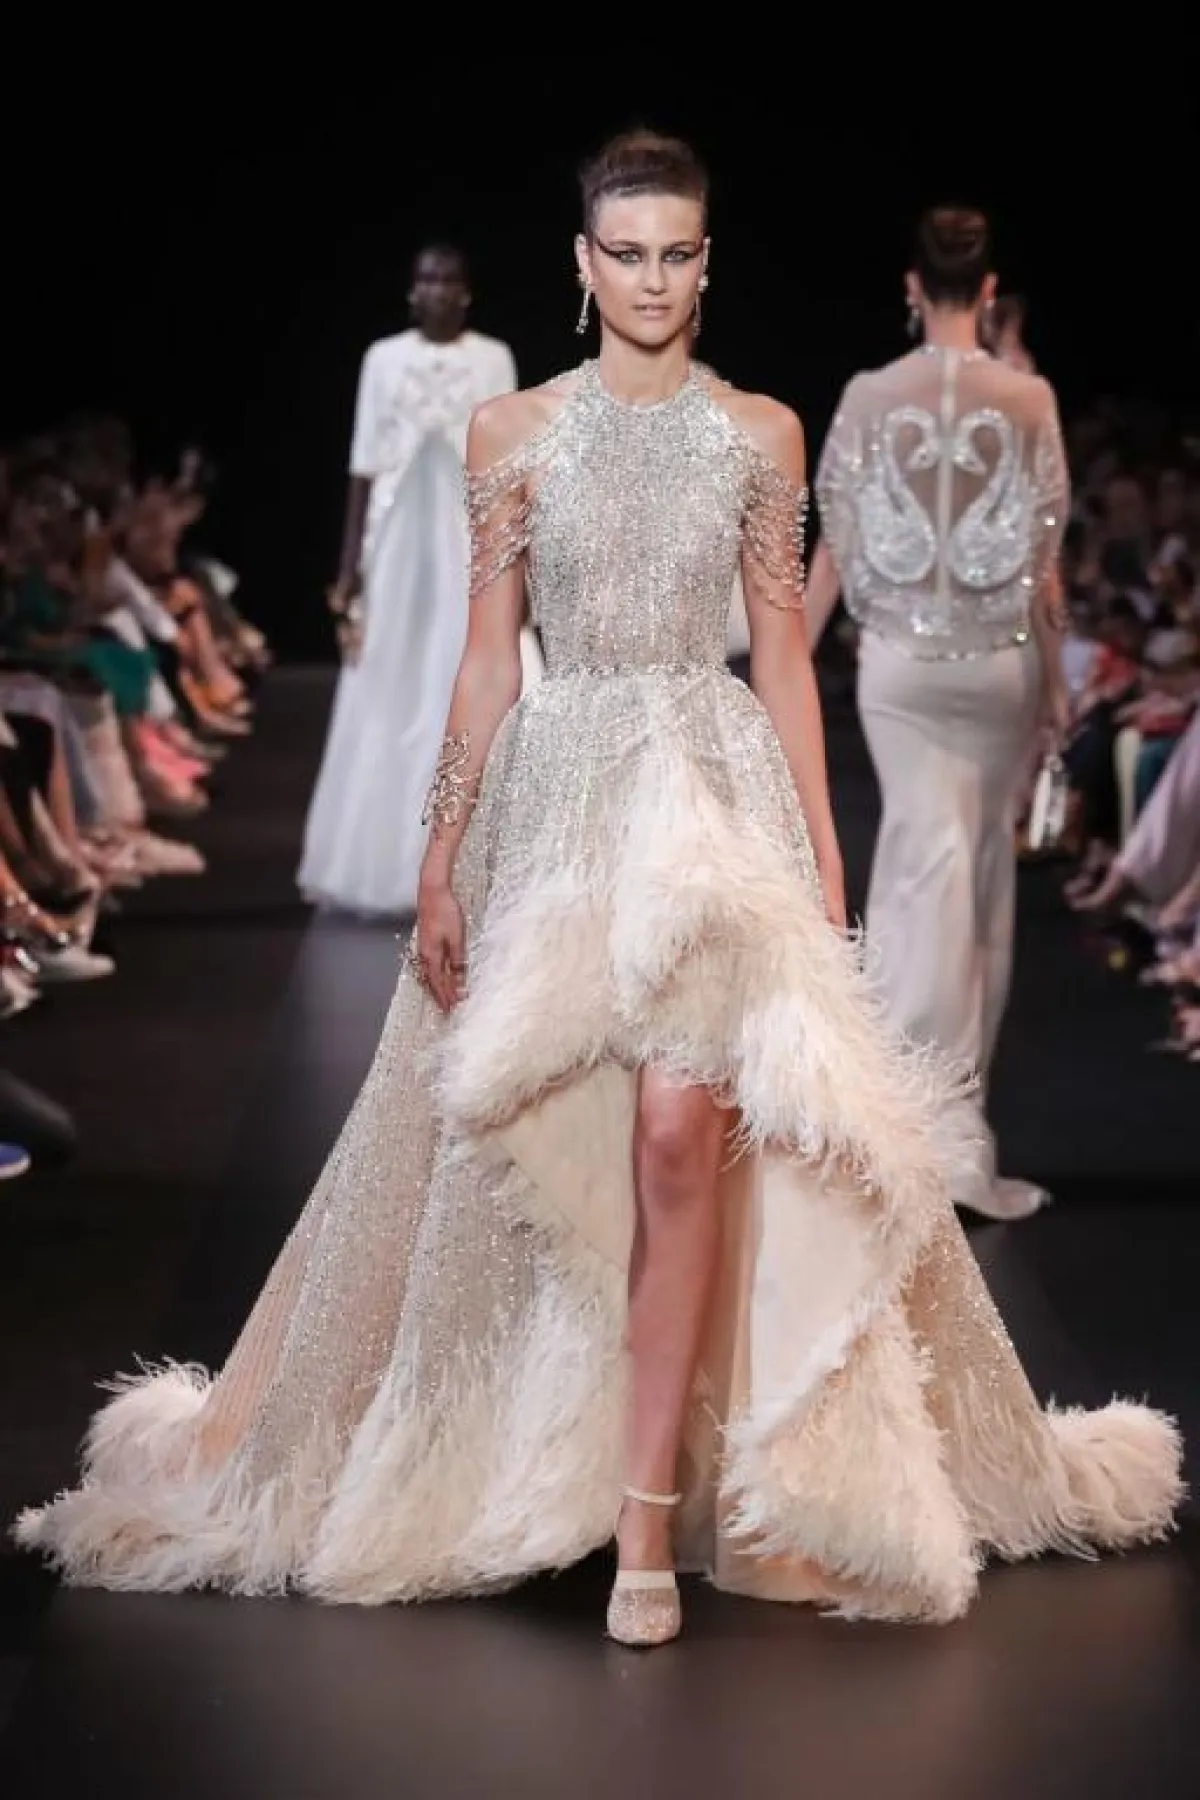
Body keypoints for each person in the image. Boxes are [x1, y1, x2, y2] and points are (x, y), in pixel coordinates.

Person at [18, 136, 1181, 1646]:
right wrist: (440, 852)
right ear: (582, 263)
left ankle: (644, 1519)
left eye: (676, 253)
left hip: (708, 801)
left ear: (706, 261)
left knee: (684, 1134)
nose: (650, 278)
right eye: (625, 252)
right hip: (556, 808)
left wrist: (824, 859)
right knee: (535, 1147)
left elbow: (782, 658)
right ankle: (537, 1453)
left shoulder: (761, 434)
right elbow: (486, 658)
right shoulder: (511, 432)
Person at [805, 207, 1074, 1224]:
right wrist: (1059, 688)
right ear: (989, 290)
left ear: (911, 287)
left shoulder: (870, 395)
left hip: (902, 673)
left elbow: (836, 547)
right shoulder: (1029, 398)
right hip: (997, 669)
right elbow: (1042, 560)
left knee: (924, 866)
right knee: (975, 877)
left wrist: (784, 661)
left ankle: (902, 1130)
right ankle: (942, 1131)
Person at [297, 244, 526, 917]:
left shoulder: (494, 358)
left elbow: (511, 466)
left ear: (467, 292)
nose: (438, 289)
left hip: (468, 534)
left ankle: (487, 864)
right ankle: (386, 860)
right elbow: (363, 466)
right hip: (395, 543)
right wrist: (348, 571)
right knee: (390, 680)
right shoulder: (383, 359)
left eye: (450, 279)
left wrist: (520, 557)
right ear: (412, 290)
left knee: (468, 668)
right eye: (427, 278)